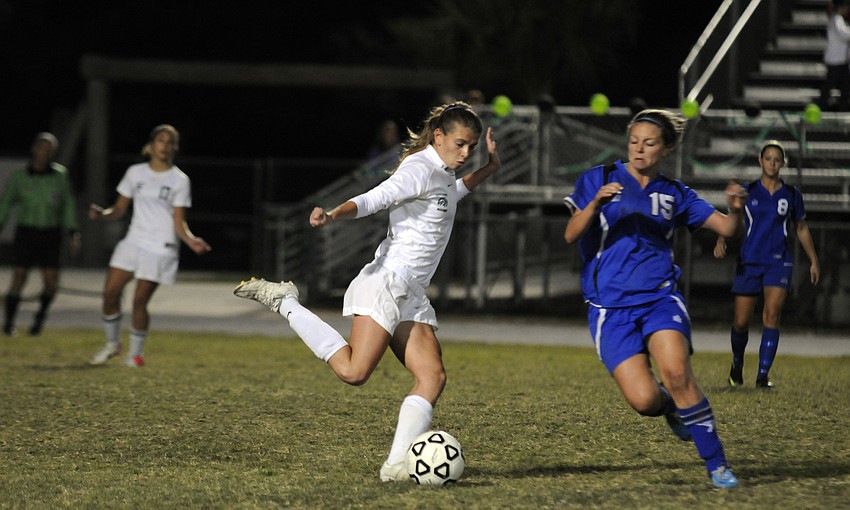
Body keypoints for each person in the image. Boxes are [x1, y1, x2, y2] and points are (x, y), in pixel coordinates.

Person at [233, 101, 500, 482]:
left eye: (471, 147)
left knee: (433, 377)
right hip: (388, 282)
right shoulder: (419, 169)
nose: (465, 154)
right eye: (460, 144)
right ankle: (286, 301)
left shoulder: (442, 171)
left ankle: (394, 468)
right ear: (438, 136)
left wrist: (489, 168)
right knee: (355, 372)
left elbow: (451, 194)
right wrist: (333, 214)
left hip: (411, 291)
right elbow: (375, 198)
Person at [563, 109, 746, 489]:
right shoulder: (599, 178)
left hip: (659, 299)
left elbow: (726, 228)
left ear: (665, 149)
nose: (639, 149)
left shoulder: (675, 193)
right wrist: (596, 203)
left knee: (678, 374)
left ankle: (717, 464)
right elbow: (570, 234)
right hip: (608, 308)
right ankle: (672, 409)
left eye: (648, 143)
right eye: (633, 142)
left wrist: (735, 208)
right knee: (645, 400)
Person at [88, 124, 211, 367]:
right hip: (134, 241)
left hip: (160, 245)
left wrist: (190, 240)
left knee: (138, 301)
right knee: (110, 293)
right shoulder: (135, 173)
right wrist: (102, 215)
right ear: (152, 145)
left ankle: (135, 355)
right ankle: (113, 344)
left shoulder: (179, 180)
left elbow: (179, 221)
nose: (165, 146)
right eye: (161, 141)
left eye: (170, 142)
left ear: (174, 148)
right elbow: (119, 210)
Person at [713, 140, 820, 389]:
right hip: (749, 261)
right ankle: (737, 365)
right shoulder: (747, 192)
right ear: (760, 161)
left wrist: (813, 260)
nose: (772, 163)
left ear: (783, 163)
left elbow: (801, 228)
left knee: (771, 315)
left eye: (777, 159)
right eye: (768, 158)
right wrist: (721, 238)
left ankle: (762, 376)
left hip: (778, 262)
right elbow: (732, 218)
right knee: (741, 322)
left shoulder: (792, 195)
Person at [0, 132, 80, 336]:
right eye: (41, 147)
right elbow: (6, 203)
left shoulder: (60, 175)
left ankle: (39, 320)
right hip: (27, 232)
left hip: (51, 233)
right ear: (34, 149)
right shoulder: (20, 177)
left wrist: (73, 231)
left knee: (51, 281)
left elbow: (68, 204)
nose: (44, 152)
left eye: (49, 149)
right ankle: (9, 323)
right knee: (19, 276)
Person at [819, 0, 850, 111]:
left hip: (840, 59)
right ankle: (823, 104)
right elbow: (843, 34)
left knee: (844, 85)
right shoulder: (836, 19)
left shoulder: (838, 19)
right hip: (835, 59)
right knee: (831, 83)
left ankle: (843, 105)